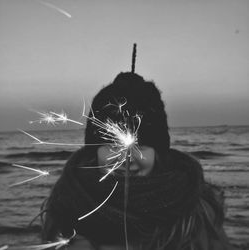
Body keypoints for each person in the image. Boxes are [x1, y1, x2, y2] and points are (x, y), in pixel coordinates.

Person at [41, 72, 235, 250]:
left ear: (158, 152)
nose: (125, 159)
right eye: (113, 145)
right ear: (94, 151)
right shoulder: (66, 207)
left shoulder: (194, 213)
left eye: (140, 145)